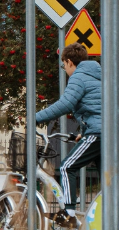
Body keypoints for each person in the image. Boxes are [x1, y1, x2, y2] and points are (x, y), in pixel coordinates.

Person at [33, 42, 103, 219]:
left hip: (98, 133)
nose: (65, 69)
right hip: (107, 132)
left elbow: (66, 104)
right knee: (108, 180)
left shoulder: (79, 77)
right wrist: (83, 133)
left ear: (70, 62)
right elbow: (97, 109)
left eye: (64, 65)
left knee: (66, 167)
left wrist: (36, 117)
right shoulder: (97, 76)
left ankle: (69, 213)